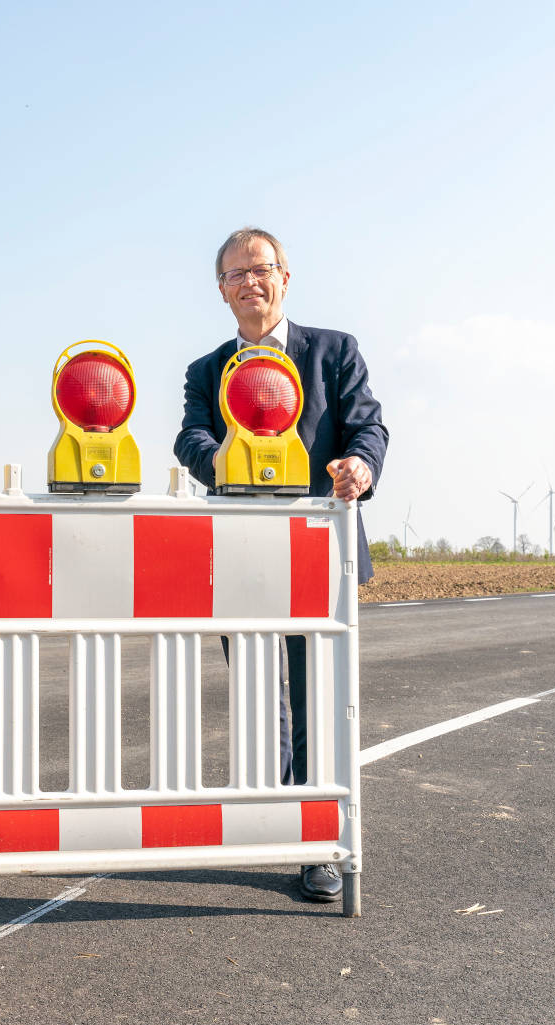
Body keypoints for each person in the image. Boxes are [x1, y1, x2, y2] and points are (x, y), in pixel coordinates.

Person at [174, 226, 388, 905]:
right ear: (221, 291)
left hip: (318, 555)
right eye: (235, 274)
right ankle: (277, 824)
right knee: (260, 706)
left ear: (285, 278)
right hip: (243, 561)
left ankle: (318, 847)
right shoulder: (206, 371)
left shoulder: (333, 352)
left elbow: (368, 426)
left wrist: (361, 465)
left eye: (260, 269)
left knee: (318, 702)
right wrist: (226, 462)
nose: (249, 283)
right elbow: (192, 437)